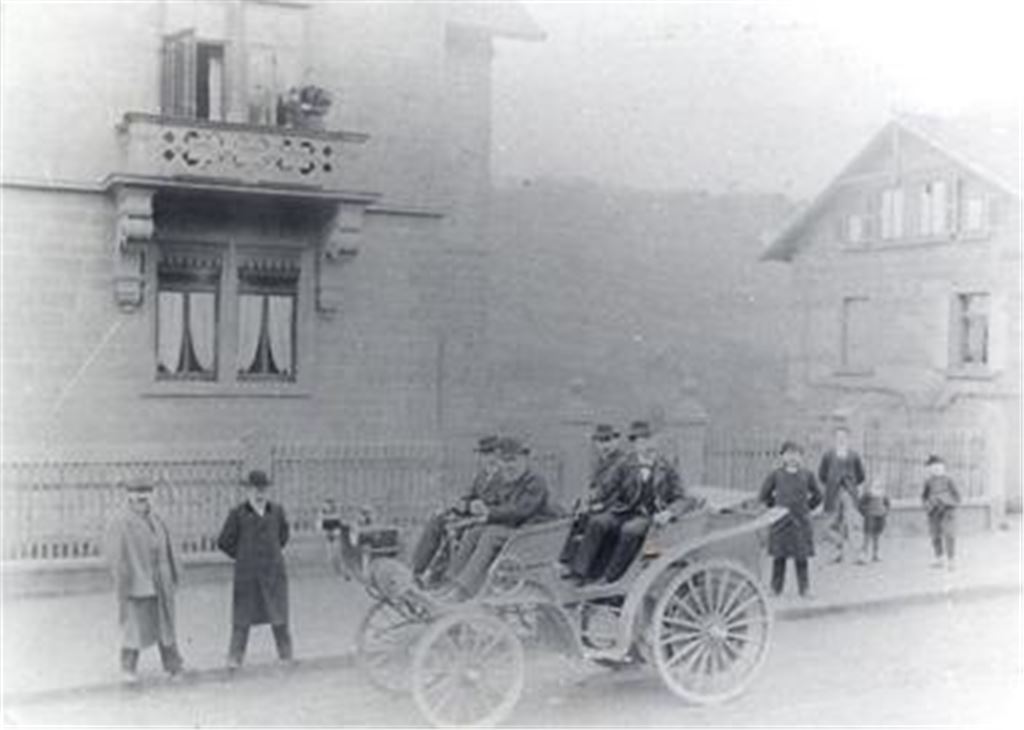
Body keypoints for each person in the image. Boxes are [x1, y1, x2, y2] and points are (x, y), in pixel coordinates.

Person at [570, 420, 689, 584]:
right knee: (597, 522)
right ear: (634, 444)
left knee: (630, 530)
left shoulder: (666, 467)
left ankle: (611, 578)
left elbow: (682, 497)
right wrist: (588, 500)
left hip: (651, 517)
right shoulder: (626, 464)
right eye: (638, 441)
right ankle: (580, 573)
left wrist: (669, 512)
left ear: (654, 441)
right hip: (624, 511)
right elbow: (606, 488)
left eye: (647, 439)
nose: (644, 445)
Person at [440, 437, 559, 600]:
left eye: (512, 460)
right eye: (504, 461)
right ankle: (452, 582)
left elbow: (521, 510)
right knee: (473, 533)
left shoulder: (535, 481)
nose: (508, 466)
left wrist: (489, 514)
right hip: (514, 528)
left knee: (490, 535)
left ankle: (464, 590)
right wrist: (479, 509)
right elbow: (496, 503)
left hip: (531, 531)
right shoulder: (507, 479)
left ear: (524, 459)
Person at [104, 479, 184, 684]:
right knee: (135, 628)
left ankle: (173, 665)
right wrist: (124, 582)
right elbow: (115, 557)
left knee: (165, 625)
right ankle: (128, 668)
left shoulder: (158, 519)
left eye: (146, 492)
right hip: (136, 582)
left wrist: (174, 574)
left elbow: (170, 547)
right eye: (137, 492)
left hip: (160, 581)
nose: (142, 497)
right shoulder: (120, 521)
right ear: (128, 496)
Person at [217, 469, 293, 670]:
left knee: (279, 616)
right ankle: (234, 659)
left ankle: (286, 655)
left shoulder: (277, 511)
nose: (260, 494)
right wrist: (243, 557)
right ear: (247, 491)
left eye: (263, 490)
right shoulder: (238, 513)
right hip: (247, 577)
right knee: (242, 619)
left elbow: (283, 536)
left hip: (274, 573)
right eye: (255, 490)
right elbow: (224, 542)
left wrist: (272, 554)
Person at [410, 435, 503, 582]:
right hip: (472, 515)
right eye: (484, 454)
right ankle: (417, 569)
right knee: (438, 519)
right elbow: (468, 497)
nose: (487, 459)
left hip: (488, 520)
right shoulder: (482, 475)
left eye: (490, 454)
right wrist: (463, 506)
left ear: (498, 455)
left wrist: (481, 509)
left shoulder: (506, 476)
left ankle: (441, 576)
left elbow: (504, 506)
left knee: (454, 531)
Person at [559, 423, 626, 573]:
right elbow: (595, 490)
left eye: (608, 440)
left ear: (617, 441)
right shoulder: (601, 463)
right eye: (601, 441)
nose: (604, 445)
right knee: (578, 518)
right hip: (605, 508)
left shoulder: (623, 462)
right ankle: (566, 561)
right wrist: (585, 503)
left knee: (595, 522)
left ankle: (579, 570)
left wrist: (601, 505)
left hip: (620, 510)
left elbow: (624, 492)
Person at [759, 440, 823, 598]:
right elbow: (764, 495)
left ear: (801, 457)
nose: (792, 457)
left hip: (800, 523)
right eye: (789, 454)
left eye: (796, 454)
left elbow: (818, 496)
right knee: (779, 558)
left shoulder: (807, 475)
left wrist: (807, 508)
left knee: (801, 558)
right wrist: (775, 506)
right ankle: (775, 589)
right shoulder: (776, 475)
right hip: (781, 523)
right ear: (782, 456)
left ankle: (805, 589)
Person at [817, 426, 867, 564]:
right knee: (831, 524)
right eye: (838, 437)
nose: (841, 440)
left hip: (849, 494)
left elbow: (861, 476)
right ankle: (837, 551)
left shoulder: (854, 455)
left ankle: (859, 554)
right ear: (834, 439)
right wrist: (832, 485)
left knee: (854, 523)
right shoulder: (828, 455)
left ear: (848, 439)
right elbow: (822, 475)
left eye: (844, 437)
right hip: (832, 494)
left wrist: (851, 486)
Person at [921, 454, 961, 570]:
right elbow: (924, 496)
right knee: (935, 535)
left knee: (949, 535)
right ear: (929, 470)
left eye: (939, 467)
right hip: (933, 511)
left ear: (944, 468)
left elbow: (957, 496)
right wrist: (927, 505)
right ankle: (939, 558)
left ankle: (951, 560)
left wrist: (950, 503)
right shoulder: (928, 482)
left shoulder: (949, 480)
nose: (936, 470)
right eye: (933, 468)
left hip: (948, 511)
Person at [856, 478, 891, 563]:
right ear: (871, 486)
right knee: (867, 536)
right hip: (870, 517)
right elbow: (860, 505)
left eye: (880, 485)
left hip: (880, 517)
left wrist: (885, 512)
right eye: (875, 485)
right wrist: (865, 512)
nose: (877, 487)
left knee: (877, 536)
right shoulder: (868, 495)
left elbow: (887, 504)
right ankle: (863, 555)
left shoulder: (883, 495)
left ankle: (876, 554)